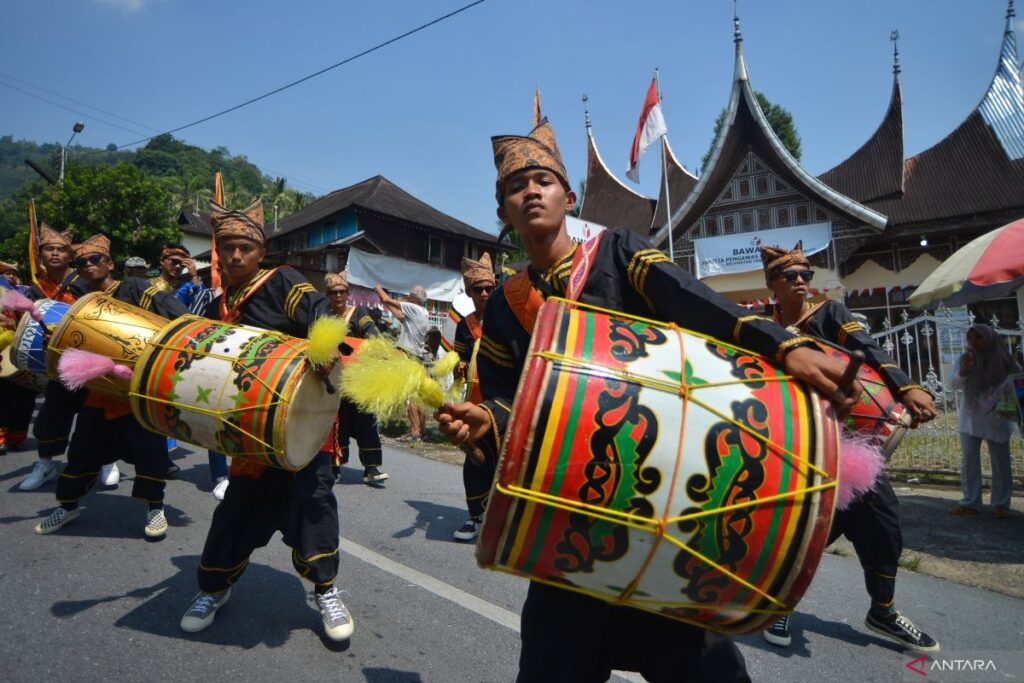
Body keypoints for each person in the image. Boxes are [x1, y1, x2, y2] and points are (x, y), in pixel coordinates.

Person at [436, 119, 861, 683]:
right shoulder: (505, 308)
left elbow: (699, 304)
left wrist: (782, 348)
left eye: (543, 180)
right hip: (568, 519)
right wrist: (484, 423)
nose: (531, 192)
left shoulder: (617, 254)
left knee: (705, 669)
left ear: (569, 196)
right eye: (517, 188)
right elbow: (505, 402)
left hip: (662, 508)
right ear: (503, 212)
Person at [178, 197, 352, 643]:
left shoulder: (283, 282)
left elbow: (318, 311)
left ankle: (325, 590)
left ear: (260, 251)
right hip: (250, 428)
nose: (236, 256)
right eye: (227, 247)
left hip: (304, 421)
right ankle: (214, 588)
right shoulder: (215, 304)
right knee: (238, 506)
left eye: (245, 247)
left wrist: (322, 346)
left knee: (314, 503)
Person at [757, 243, 940, 653]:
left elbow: (871, 351)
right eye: (791, 276)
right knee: (801, 531)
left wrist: (906, 387)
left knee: (884, 523)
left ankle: (884, 611)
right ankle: (779, 604)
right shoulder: (761, 325)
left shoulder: (830, 314)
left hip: (850, 445)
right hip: (796, 445)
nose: (802, 280)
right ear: (772, 285)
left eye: (806, 273)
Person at [34, 234, 187, 538]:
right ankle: (67, 506)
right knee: (81, 450)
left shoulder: (133, 287)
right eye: (80, 263)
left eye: (95, 259)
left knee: (151, 453)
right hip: (100, 393)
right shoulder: (81, 304)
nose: (88, 265)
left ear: (110, 263)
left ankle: (155, 508)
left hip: (137, 391)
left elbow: (177, 316)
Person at [19, 225, 93, 488]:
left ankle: (107, 461)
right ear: (41, 254)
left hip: (89, 359)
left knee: (96, 416)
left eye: (61, 249)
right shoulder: (36, 290)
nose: (55, 253)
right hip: (57, 363)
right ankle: (46, 464)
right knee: (52, 415)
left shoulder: (84, 282)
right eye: (49, 248)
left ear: (69, 255)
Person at [321, 271, 388, 484]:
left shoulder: (358, 312)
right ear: (328, 295)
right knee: (337, 422)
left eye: (341, 292)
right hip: (335, 379)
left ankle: (371, 469)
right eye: (333, 292)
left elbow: (371, 331)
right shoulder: (324, 317)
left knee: (366, 422)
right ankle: (335, 466)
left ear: (348, 293)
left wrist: (373, 344)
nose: (338, 296)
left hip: (359, 379)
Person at [949, 323, 1019, 519]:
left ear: (989, 338)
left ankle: (1001, 504)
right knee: (969, 459)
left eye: (978, 337)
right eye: (970, 338)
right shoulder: (966, 359)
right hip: (971, 417)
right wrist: (964, 369)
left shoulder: (1005, 359)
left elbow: (1018, 380)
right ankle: (970, 501)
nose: (973, 342)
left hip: (997, 417)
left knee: (1000, 461)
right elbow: (954, 384)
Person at [451, 252, 496, 542]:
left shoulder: (505, 320)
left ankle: (502, 518)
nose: (483, 293)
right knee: (474, 459)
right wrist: (459, 366)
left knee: (504, 460)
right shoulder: (463, 326)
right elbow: (459, 358)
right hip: (474, 402)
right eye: (477, 289)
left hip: (502, 402)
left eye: (488, 288)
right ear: (469, 293)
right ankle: (475, 516)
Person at [376, 283, 430, 441]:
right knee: (418, 395)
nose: (407, 298)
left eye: (409, 296)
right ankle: (421, 431)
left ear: (414, 298)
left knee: (410, 396)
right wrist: (386, 303)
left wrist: (378, 288)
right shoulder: (423, 313)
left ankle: (414, 431)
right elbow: (401, 318)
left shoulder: (413, 307)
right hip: (417, 358)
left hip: (409, 357)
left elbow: (386, 298)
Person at [0, 261, 36, 457]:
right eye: (7, 273)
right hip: (2, 351)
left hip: (20, 352)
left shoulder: (25, 294)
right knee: (3, 398)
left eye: (14, 273)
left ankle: (18, 436)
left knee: (24, 397)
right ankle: (2, 438)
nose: (11, 277)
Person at [150, 243, 206, 309]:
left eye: (182, 264)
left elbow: (201, 300)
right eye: (174, 261)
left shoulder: (186, 288)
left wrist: (194, 275)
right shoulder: (148, 284)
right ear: (162, 261)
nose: (178, 266)